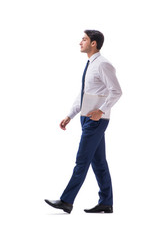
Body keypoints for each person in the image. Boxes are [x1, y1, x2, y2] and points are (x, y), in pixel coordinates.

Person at [45, 30, 122, 214]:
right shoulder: (91, 64)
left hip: (96, 120)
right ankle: (106, 202)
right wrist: (69, 116)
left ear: (93, 43)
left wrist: (101, 111)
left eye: (84, 39)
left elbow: (117, 91)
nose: (80, 42)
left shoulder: (103, 64)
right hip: (86, 118)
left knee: (82, 159)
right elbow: (84, 95)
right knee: (99, 162)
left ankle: (67, 201)